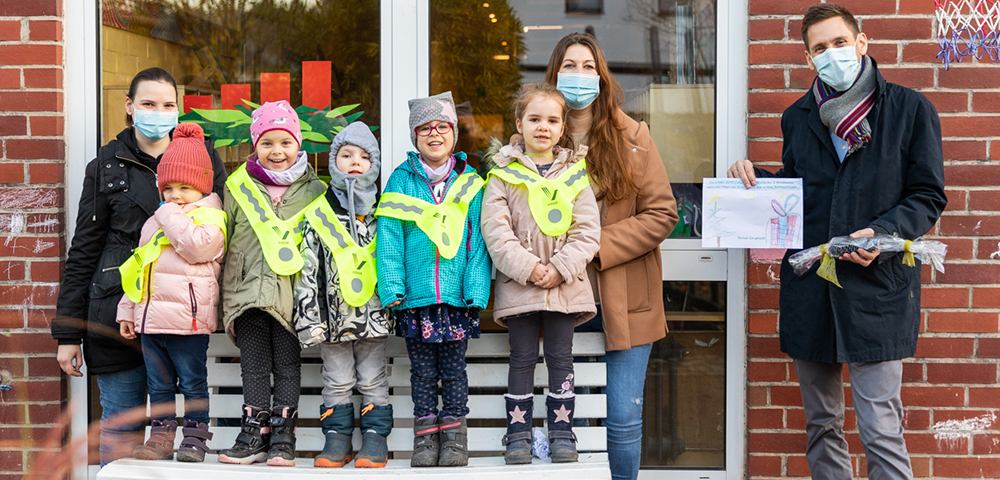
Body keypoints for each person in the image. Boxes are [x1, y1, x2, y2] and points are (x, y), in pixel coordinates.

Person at [727, 4, 946, 479]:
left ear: (862, 42)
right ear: (809, 58)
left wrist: (885, 233)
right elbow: (799, 192)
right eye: (820, 48)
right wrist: (755, 180)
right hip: (813, 292)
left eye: (839, 42)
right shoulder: (798, 117)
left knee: (880, 427)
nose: (832, 54)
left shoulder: (909, 110)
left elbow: (928, 196)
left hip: (877, 287)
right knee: (822, 424)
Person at [51, 67, 227, 466]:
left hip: (182, 316)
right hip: (120, 315)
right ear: (130, 107)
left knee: (180, 430)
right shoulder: (106, 165)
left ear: (178, 110)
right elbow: (84, 249)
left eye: (168, 105)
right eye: (148, 103)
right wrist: (68, 332)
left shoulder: (202, 159)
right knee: (121, 432)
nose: (158, 112)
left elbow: (219, 237)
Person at [541, 33, 679, 480]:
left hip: (625, 300)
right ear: (554, 74)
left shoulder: (634, 137)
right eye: (568, 66)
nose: (578, 75)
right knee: (570, 424)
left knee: (622, 421)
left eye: (587, 66)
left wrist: (593, 246)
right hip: (561, 301)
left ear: (601, 76)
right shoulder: (534, 137)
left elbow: (662, 214)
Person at [481, 83, 601, 465]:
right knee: (521, 359)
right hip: (521, 287)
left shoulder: (576, 174)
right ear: (520, 124)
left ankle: (562, 433)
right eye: (534, 119)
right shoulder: (503, 175)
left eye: (552, 120)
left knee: (561, 360)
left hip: (565, 288)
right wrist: (531, 269)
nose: (543, 127)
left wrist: (560, 269)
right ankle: (517, 435)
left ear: (563, 127)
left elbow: (588, 232)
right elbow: (496, 232)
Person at [375, 91, 492, 468]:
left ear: (454, 133)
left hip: (457, 300)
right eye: (425, 128)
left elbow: (478, 242)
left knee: (455, 372)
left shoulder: (471, 182)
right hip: (417, 300)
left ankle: (455, 438)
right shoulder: (400, 180)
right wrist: (392, 285)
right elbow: (389, 236)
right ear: (415, 136)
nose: (434, 134)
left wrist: (476, 288)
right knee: (423, 373)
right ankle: (426, 440)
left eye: (442, 126)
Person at [217, 100, 326, 466]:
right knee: (253, 364)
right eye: (267, 143)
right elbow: (223, 241)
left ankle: (283, 435)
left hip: (292, 296)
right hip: (246, 293)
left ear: (298, 144)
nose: (276, 151)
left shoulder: (316, 190)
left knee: (287, 365)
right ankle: (254, 433)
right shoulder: (236, 187)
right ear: (255, 146)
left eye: (285, 142)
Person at [116, 123, 225, 463]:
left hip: (187, 323)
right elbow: (139, 268)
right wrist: (126, 311)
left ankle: (194, 439)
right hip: (152, 323)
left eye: (185, 187)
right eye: (168, 188)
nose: (175, 195)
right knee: (159, 387)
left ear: (203, 187)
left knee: (192, 384)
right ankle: (161, 438)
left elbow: (196, 248)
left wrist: (166, 213)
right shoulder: (157, 221)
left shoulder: (212, 218)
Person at [293, 121, 393, 469]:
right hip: (333, 319)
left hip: (375, 315)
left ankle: (375, 439)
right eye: (346, 154)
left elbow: (394, 260)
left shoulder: (384, 211)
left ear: (374, 165)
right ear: (334, 162)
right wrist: (309, 321)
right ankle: (336, 439)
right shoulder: (318, 213)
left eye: (364, 157)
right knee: (337, 379)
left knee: (373, 379)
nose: (355, 161)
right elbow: (307, 269)